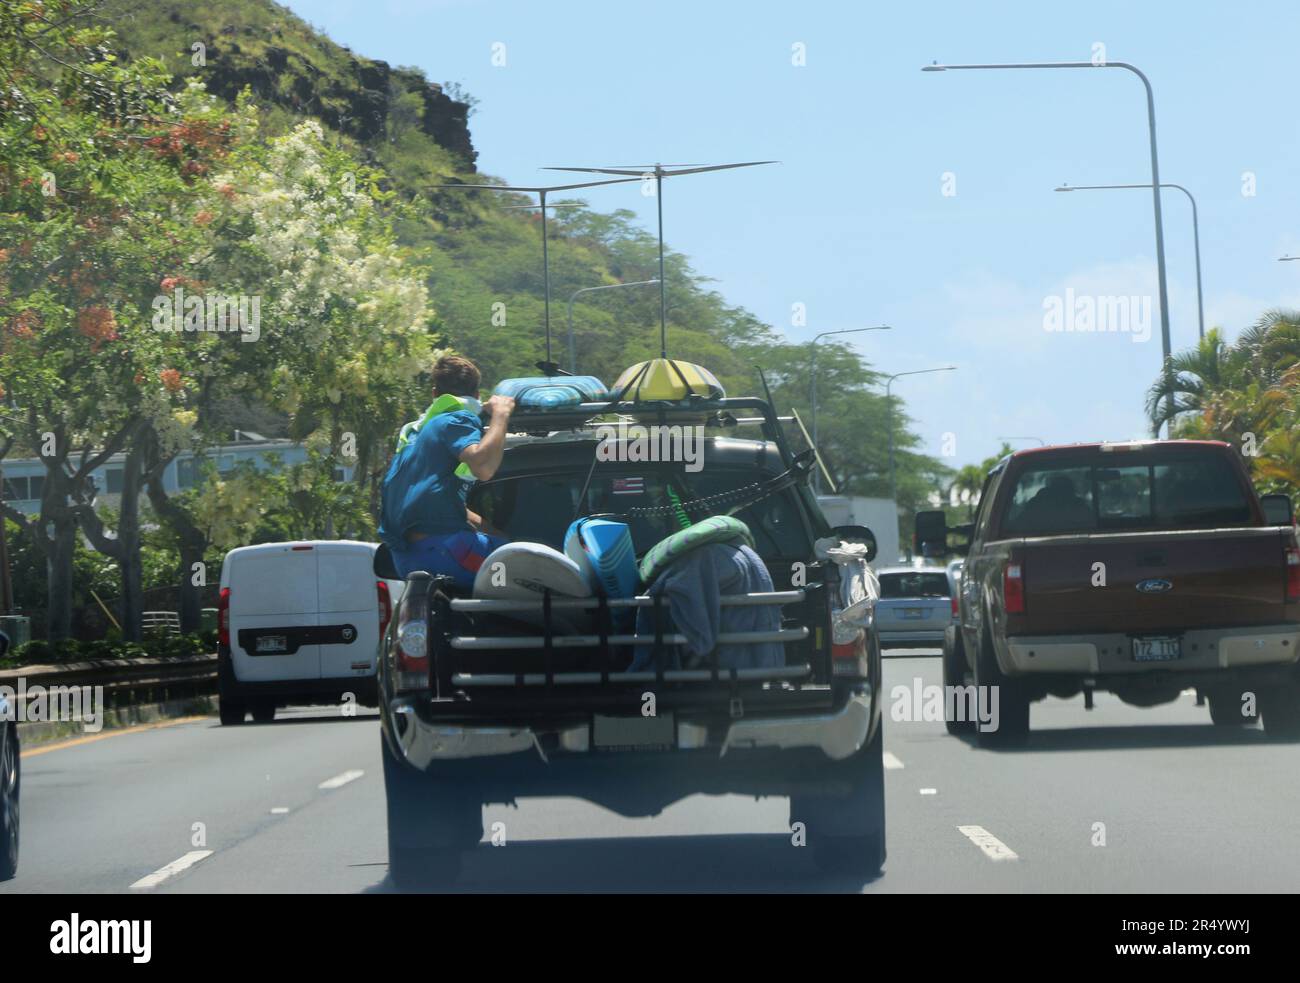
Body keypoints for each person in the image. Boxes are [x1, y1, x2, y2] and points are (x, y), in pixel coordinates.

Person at [379, 355, 516, 586]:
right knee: (535, 575)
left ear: (434, 394)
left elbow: (453, 509)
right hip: (449, 552)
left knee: (507, 553)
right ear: (477, 396)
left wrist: (502, 538)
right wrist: (501, 414)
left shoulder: (414, 436)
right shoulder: (456, 417)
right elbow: (483, 466)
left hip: (406, 560)